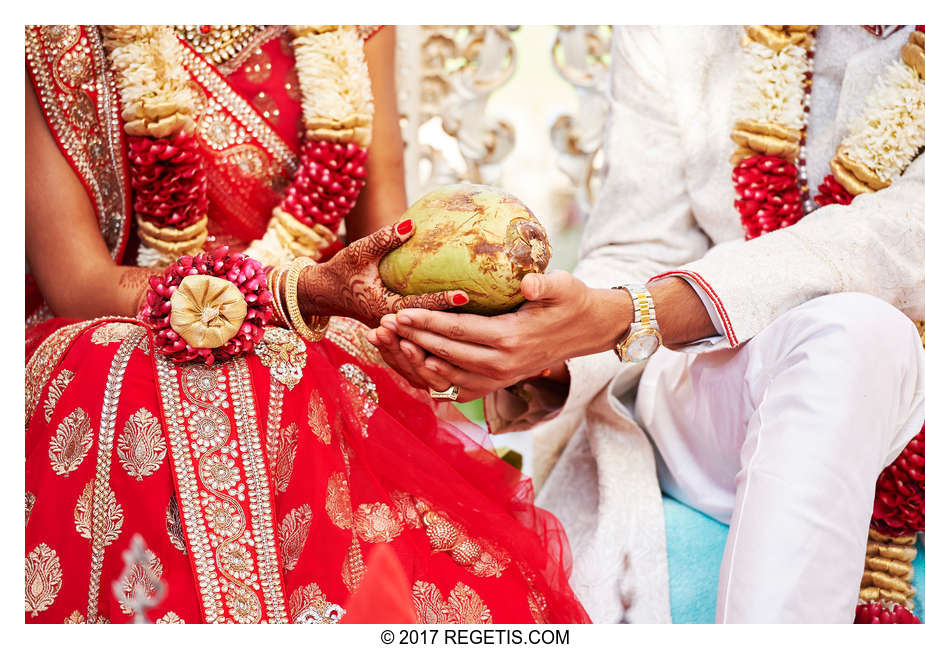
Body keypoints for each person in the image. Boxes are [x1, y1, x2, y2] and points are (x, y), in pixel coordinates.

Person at [24, 24, 590, 624]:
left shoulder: (353, 23)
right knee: (158, 359)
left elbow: (386, 245)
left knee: (292, 360)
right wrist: (293, 291)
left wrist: (499, 329)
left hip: (327, 327)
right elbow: (77, 282)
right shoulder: (54, 30)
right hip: (122, 325)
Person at [368, 25, 925, 623]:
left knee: (863, 332)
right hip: (718, 394)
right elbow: (639, 245)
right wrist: (543, 352)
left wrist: (632, 313)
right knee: (853, 337)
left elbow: (908, 234)